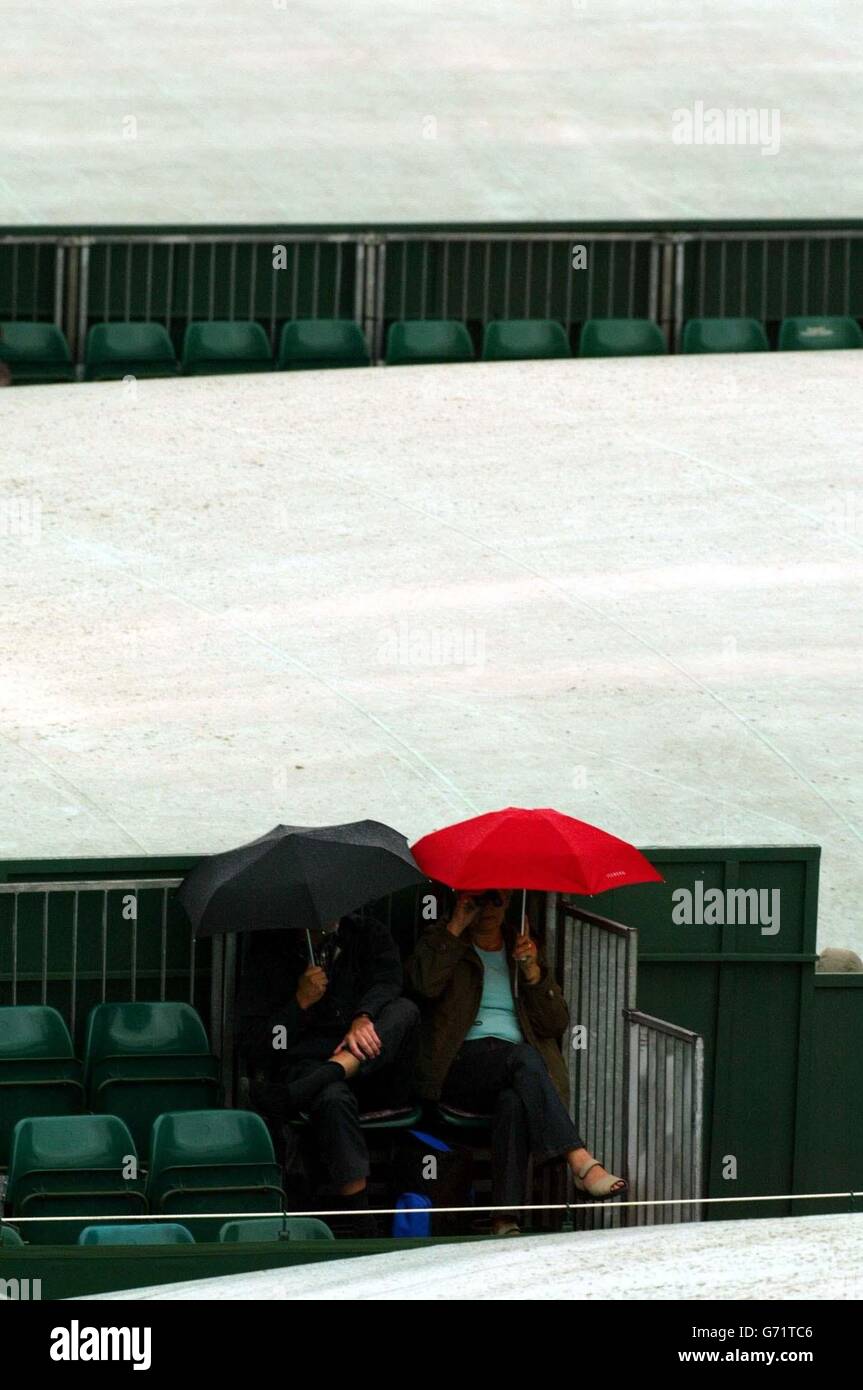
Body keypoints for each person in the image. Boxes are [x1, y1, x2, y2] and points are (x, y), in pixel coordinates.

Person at [407, 889, 626, 1236]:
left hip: (512, 1071)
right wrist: (455, 927)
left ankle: (504, 1218)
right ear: (464, 900)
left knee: (512, 1101)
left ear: (509, 901)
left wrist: (533, 973)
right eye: (479, 899)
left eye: (496, 899)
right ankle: (579, 1161)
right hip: (460, 1067)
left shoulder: (521, 948)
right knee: (523, 1057)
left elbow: (555, 1024)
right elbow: (422, 987)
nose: (488, 907)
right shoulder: (444, 941)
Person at [236, 912, 419, 1230]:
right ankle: (362, 1223)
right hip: (308, 1069)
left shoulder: (369, 933)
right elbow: (258, 1042)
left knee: (406, 1011)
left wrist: (364, 1015)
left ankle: (322, 1077)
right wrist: (299, 1002)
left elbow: (390, 984)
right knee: (332, 1096)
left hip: (372, 1067)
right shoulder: (269, 949)